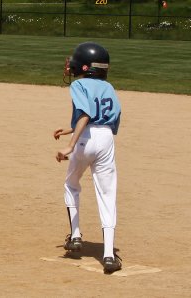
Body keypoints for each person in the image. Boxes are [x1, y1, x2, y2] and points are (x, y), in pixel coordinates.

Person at [54, 42, 122, 274]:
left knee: (71, 184)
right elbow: (105, 120)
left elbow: (85, 114)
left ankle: (75, 236)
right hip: (105, 139)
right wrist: (70, 129)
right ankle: (109, 255)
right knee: (107, 194)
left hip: (85, 141)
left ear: (84, 66)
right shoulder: (109, 87)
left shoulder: (80, 84)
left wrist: (70, 145)